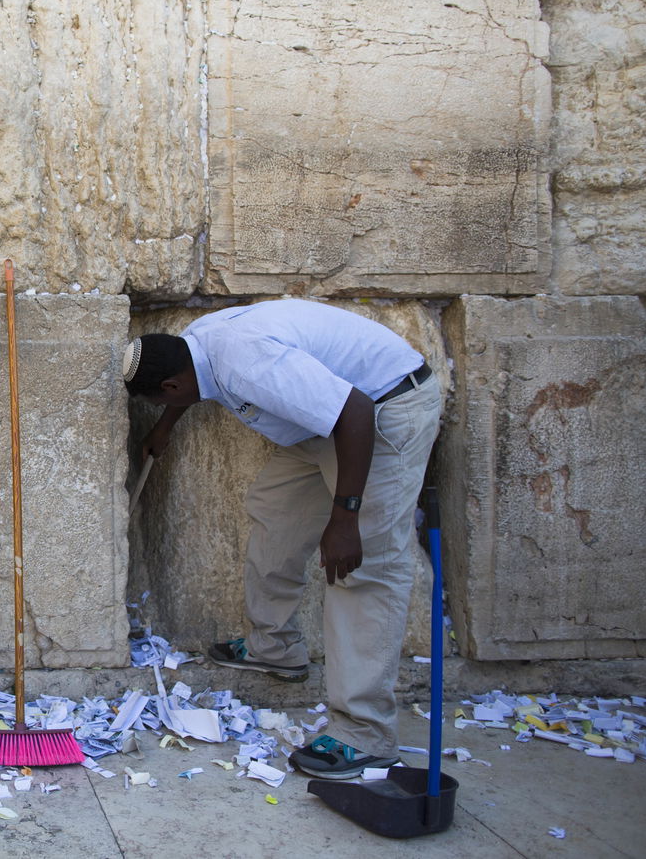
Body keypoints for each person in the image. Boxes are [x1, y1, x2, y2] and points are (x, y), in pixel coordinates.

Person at [122, 299, 442, 780]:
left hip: (380, 412)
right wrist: (165, 427)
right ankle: (274, 646)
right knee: (275, 511)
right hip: (324, 424)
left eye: (161, 403)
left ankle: (364, 734)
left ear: (171, 386)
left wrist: (345, 516)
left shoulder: (248, 363)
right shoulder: (197, 343)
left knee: (363, 568)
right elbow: (187, 385)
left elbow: (354, 410)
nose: (163, 408)